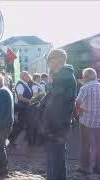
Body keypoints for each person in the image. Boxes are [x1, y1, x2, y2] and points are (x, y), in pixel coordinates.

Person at [43, 49, 77, 180]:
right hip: (61, 124)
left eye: (50, 59)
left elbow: (54, 105)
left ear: (58, 60)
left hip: (56, 126)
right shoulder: (67, 75)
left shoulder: (62, 77)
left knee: (54, 160)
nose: (48, 62)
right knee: (58, 159)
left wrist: (47, 124)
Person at [75, 68, 100, 175]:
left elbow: (77, 102)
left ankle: (85, 168)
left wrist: (79, 112)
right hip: (99, 120)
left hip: (86, 119)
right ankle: (98, 167)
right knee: (99, 144)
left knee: (85, 144)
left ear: (86, 77)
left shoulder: (85, 88)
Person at [8, 71, 33, 146]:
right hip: (22, 107)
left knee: (24, 124)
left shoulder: (24, 84)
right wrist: (30, 100)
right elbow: (20, 97)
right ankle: (11, 137)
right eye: (27, 75)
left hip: (26, 107)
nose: (29, 77)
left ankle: (29, 140)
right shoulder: (20, 85)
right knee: (21, 124)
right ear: (23, 76)